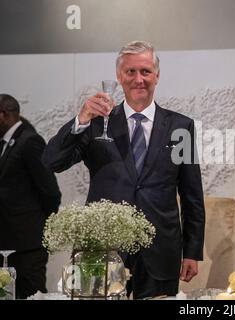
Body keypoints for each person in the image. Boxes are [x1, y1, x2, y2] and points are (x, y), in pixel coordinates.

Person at [42, 41, 205, 299]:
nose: (138, 79)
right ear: (119, 77)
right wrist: (80, 119)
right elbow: (51, 161)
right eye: (130, 72)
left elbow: (191, 194)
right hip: (100, 250)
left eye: (145, 71)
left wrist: (193, 251)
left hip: (160, 250)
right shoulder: (96, 124)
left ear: (157, 76)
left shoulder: (180, 127)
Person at [0, 94, 61, 299]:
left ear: (4, 115)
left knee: (30, 293)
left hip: (27, 244)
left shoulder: (30, 141)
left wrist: (39, 227)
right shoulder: (5, 143)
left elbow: (50, 191)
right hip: (7, 241)